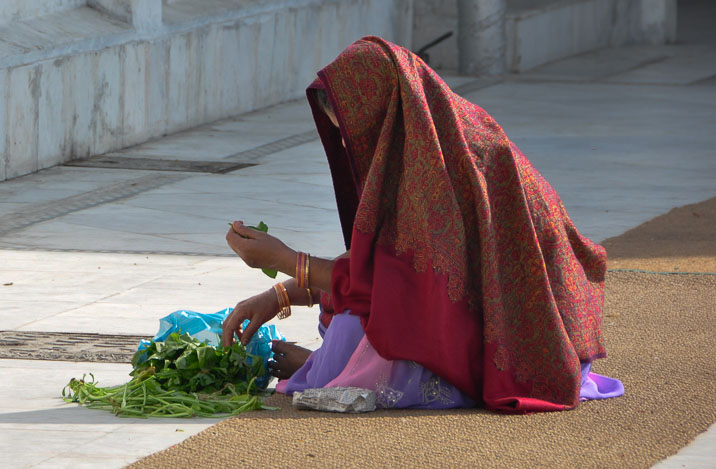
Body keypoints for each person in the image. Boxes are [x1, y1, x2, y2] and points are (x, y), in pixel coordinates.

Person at [220, 36, 624, 412]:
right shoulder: (424, 140)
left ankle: (334, 370)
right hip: (482, 309)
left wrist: (289, 261)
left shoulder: (437, 172)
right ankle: (335, 366)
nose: (348, 148)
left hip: (521, 337)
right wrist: (279, 296)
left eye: (353, 136)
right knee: (350, 320)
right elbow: (386, 266)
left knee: (349, 331)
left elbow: (404, 292)